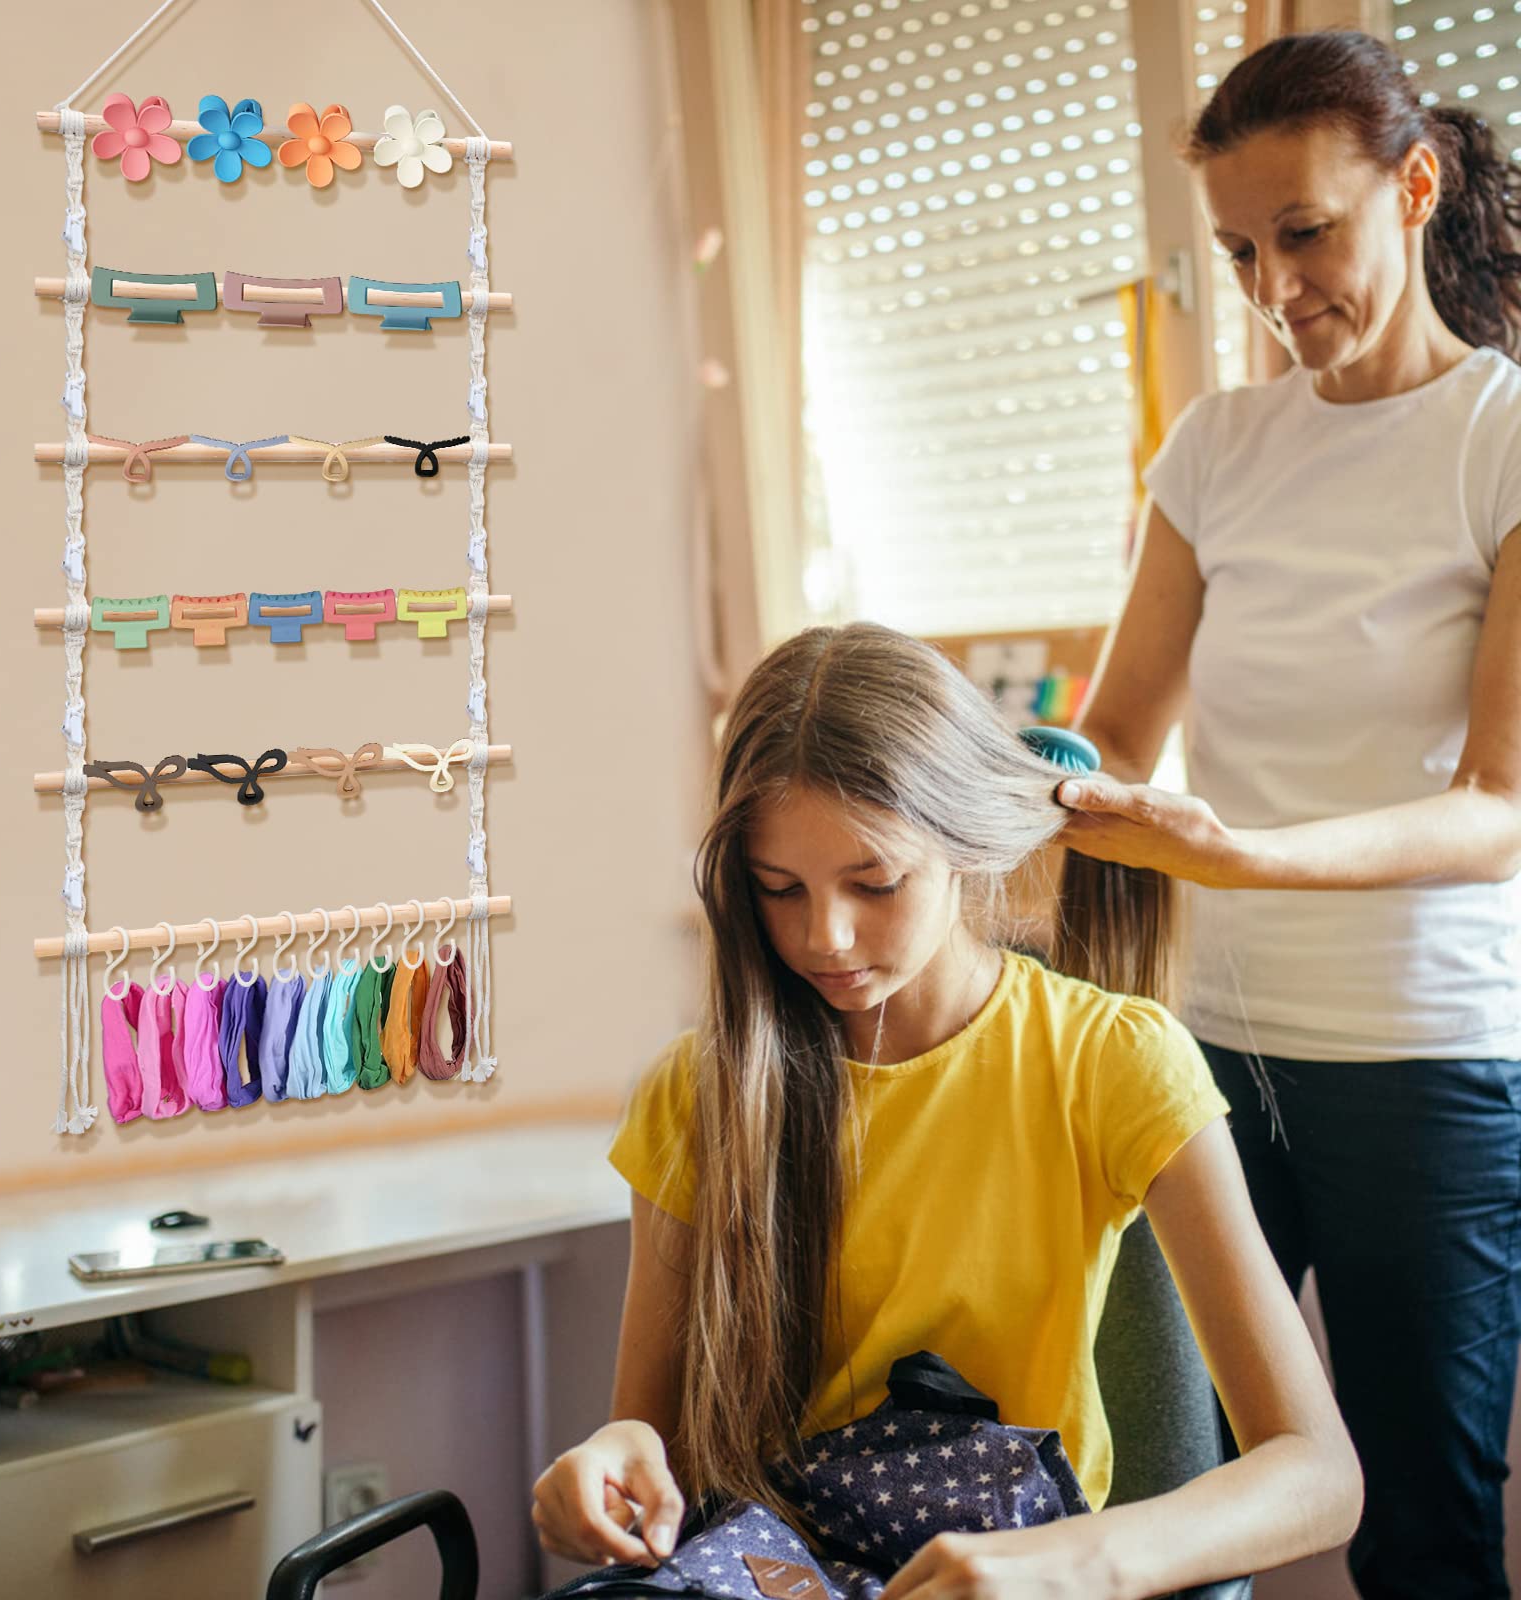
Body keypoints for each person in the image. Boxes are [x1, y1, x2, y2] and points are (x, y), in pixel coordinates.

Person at [532, 623, 1360, 1600]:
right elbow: (656, 1448)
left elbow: (1317, 1475)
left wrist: (1079, 1560)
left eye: (874, 882)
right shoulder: (698, 1091)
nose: (824, 936)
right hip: (767, 1564)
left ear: (967, 846)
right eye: (779, 890)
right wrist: (614, 1457)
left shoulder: (1112, 1061)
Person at [1055, 30, 1521, 1599]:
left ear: (1416, 184)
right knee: (1172, 1500)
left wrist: (1243, 854)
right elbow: (1117, 735)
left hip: (1426, 1065)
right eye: (1241, 251)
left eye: (1304, 234)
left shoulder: (1499, 440)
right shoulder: (1217, 450)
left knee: (1423, 1533)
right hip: (1207, 1058)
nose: (1273, 288)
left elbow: (1499, 807)